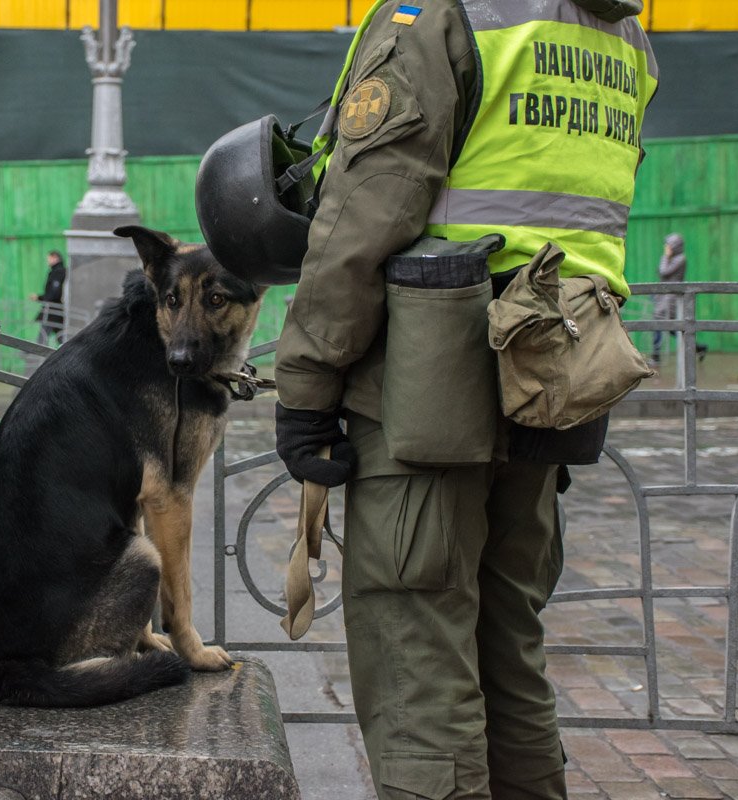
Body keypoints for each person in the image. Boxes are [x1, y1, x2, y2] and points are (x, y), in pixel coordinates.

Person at [273, 0, 657, 796]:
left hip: (432, 384)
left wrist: (306, 384)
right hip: (558, 371)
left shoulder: (442, 15)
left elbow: (366, 215)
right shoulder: (621, 33)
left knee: (418, 645)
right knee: (507, 642)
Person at [651, 232, 686, 366]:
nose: (666, 248)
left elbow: (663, 271)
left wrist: (665, 257)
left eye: (668, 245)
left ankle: (656, 356)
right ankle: (697, 347)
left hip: (670, 298)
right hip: (663, 296)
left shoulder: (680, 259)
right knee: (670, 327)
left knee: (663, 324)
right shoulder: (672, 258)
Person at [32, 250, 67, 345]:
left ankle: (34, 352)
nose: (48, 261)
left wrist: (43, 299)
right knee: (61, 337)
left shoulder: (58, 272)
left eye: (49, 258)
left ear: (55, 258)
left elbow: (54, 292)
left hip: (52, 309)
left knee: (44, 335)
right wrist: (39, 297)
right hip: (55, 309)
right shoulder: (57, 271)